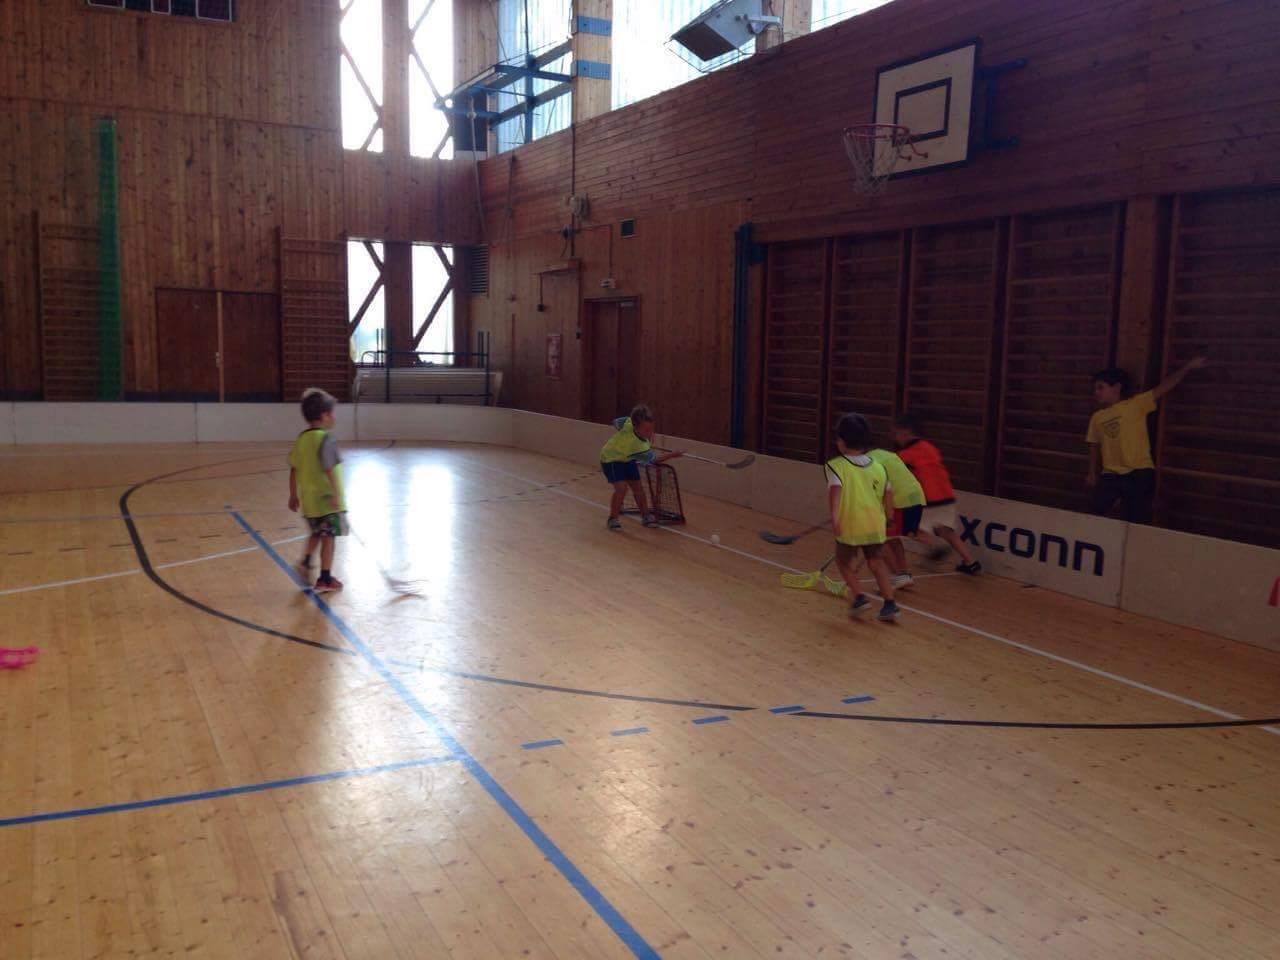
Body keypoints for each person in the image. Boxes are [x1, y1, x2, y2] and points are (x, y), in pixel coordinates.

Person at [1086, 356, 1208, 524]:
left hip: (1138, 471)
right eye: (1095, 389)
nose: (1096, 392)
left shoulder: (1136, 404)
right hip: (1111, 473)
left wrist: (1188, 367)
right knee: (1096, 510)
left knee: (1136, 518)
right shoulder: (1097, 417)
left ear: (1116, 388)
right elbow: (1094, 444)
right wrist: (1092, 472)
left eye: (1101, 387)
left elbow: (1164, 387)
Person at [826, 413, 899, 622]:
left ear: (842, 441)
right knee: (876, 562)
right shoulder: (878, 466)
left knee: (843, 561)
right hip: (875, 523)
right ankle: (890, 604)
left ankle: (859, 597)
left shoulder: (835, 466)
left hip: (850, 524)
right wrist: (889, 516)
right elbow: (888, 493)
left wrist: (835, 519)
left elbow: (835, 493)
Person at [893, 413, 981, 575]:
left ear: (905, 432)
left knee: (911, 529)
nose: (895, 437)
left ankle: (936, 547)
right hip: (947, 495)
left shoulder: (904, 455)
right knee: (946, 531)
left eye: (897, 433)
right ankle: (971, 562)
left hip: (928, 498)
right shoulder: (929, 447)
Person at [288, 388, 346, 593]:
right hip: (327, 501)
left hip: (310, 501)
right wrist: (336, 495)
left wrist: (293, 495)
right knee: (328, 539)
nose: (334, 418)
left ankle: (305, 561)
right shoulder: (326, 439)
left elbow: (294, 468)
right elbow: (329, 469)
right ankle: (325, 578)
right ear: (324, 416)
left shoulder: (302, 439)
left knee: (316, 533)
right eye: (332, 414)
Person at [600, 405, 682, 531]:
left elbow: (616, 423)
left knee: (638, 489)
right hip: (611, 459)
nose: (650, 433)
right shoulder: (633, 433)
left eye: (652, 429)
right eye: (646, 430)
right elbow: (654, 460)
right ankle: (613, 519)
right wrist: (672, 455)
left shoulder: (639, 440)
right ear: (635, 426)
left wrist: (632, 435)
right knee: (621, 488)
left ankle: (646, 516)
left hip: (628, 459)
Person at [868, 445, 926, 590]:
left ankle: (898, 577)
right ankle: (903, 575)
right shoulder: (885, 453)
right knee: (892, 539)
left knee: (880, 540)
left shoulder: (868, 462)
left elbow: (884, 490)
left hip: (900, 500)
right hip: (916, 497)